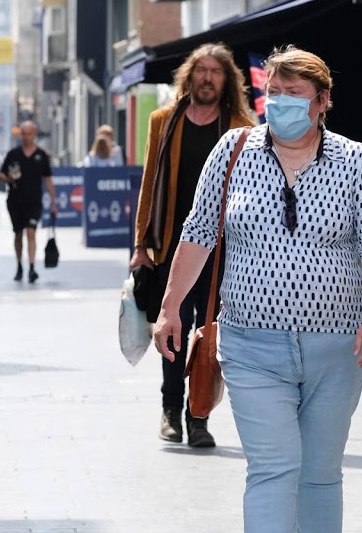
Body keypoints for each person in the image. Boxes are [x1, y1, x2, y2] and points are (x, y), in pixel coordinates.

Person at [153, 45, 362, 532]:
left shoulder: (355, 161)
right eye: (275, 92)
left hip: (336, 348)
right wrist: (170, 306)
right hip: (251, 345)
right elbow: (198, 232)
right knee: (272, 468)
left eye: (295, 93)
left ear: (322, 100)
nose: (281, 102)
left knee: (320, 475)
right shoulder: (234, 150)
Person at [131, 41, 256, 447]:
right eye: (200, 70)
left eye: (215, 71)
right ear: (189, 76)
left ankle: (198, 415)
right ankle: (170, 410)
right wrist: (140, 244)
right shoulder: (163, 121)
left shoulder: (243, 129)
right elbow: (149, 182)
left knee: (210, 335)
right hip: (174, 248)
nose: (206, 77)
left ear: (227, 80)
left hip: (222, 253)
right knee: (172, 331)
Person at [0, 121, 57, 283]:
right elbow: (0, 174)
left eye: (29, 133)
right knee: (18, 234)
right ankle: (19, 265)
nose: (26, 137)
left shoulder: (41, 155)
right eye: (23, 133)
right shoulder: (13, 154)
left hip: (34, 201)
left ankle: (31, 267)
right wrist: (9, 178)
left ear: (34, 134)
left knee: (31, 232)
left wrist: (54, 201)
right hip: (15, 200)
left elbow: (48, 179)